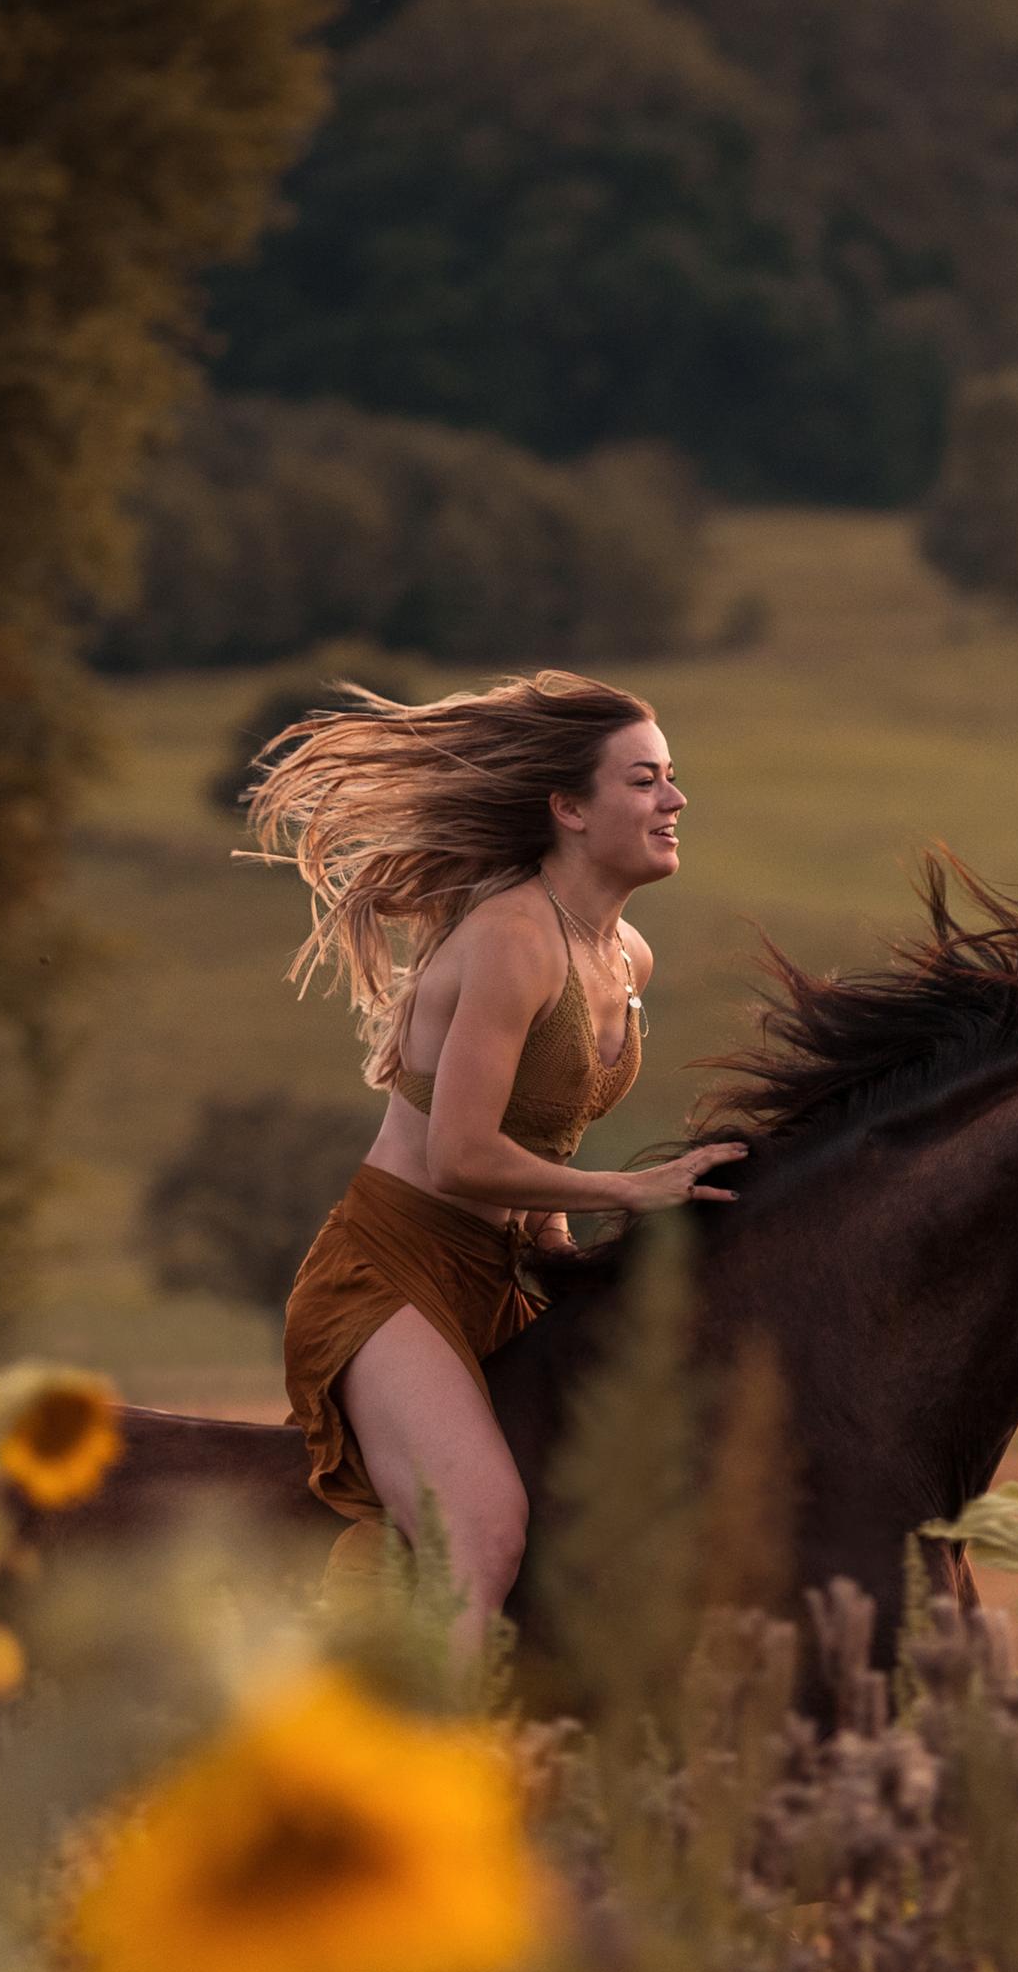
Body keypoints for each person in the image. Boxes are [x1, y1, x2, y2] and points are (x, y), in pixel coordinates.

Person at [247, 669, 743, 1637]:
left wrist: (563, 1247)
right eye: (643, 781)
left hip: (499, 1274)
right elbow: (461, 1157)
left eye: (671, 777)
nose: (675, 801)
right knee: (482, 1533)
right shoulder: (512, 940)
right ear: (567, 807)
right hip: (387, 1272)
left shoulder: (626, 955)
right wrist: (624, 1191)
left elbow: (540, 1134)